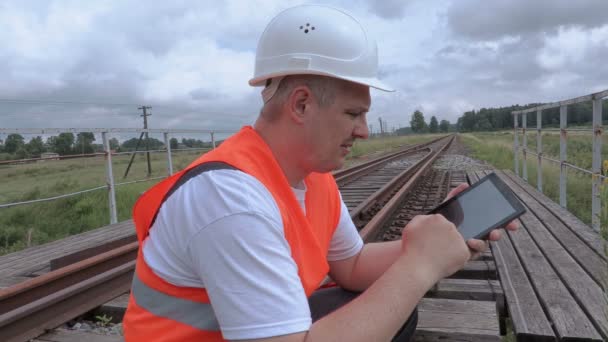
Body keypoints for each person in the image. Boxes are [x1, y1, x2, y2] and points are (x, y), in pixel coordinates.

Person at [122, 4, 518, 341]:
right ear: (301, 105)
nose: (363, 130)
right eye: (353, 114)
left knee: (393, 312)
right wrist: (420, 267)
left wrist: (434, 239)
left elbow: (353, 267)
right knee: (393, 303)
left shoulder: (313, 177)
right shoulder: (230, 198)